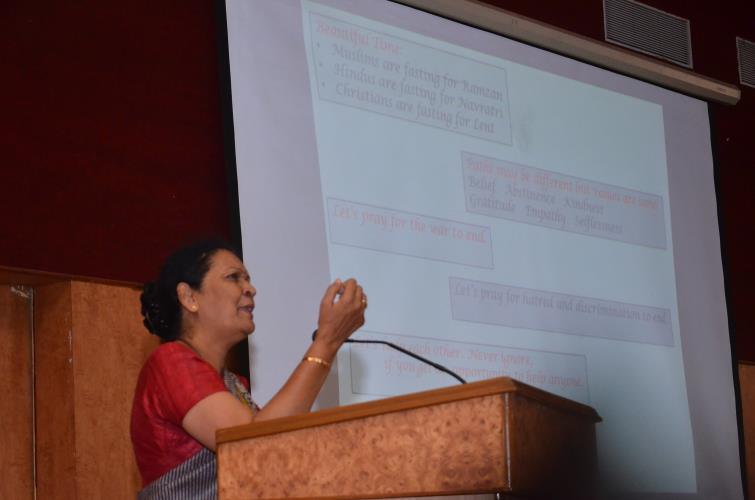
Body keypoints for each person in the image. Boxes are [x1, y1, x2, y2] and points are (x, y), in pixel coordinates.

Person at [130, 240, 366, 499]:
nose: (251, 289)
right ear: (189, 297)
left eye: (248, 279)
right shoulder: (171, 363)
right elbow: (254, 446)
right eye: (233, 277)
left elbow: (276, 453)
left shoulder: (234, 384)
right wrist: (326, 342)